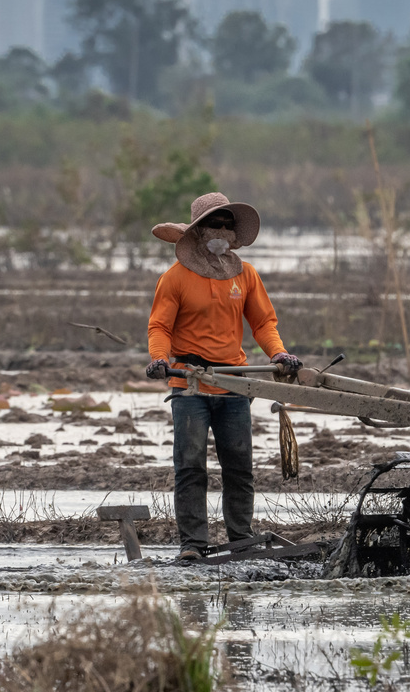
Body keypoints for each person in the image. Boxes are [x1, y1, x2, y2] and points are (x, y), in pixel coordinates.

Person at [145, 191, 300, 561]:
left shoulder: (245, 274)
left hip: (234, 383)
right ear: (198, 230)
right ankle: (193, 545)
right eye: (215, 223)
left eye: (229, 225)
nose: (223, 230)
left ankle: (240, 540)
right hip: (190, 383)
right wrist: (159, 359)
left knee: (239, 466)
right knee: (190, 465)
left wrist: (278, 353)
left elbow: (263, 322)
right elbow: (159, 326)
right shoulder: (175, 278)